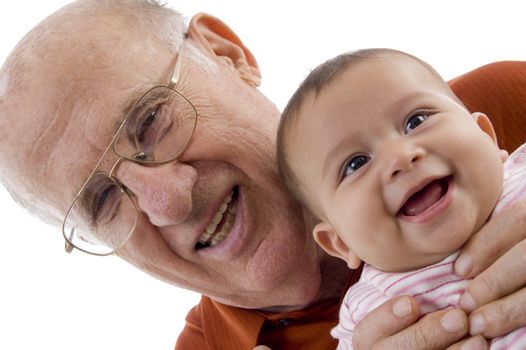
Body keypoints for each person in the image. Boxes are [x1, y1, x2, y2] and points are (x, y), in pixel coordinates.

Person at [1, 1, 526, 349]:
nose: (168, 200)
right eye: (101, 203)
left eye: (151, 120)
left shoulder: (500, 110)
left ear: (227, 56)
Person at [276, 48, 526, 349]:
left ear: (485, 135)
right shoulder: (367, 310)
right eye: (356, 163)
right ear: (341, 242)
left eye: (416, 121)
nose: (400, 157)